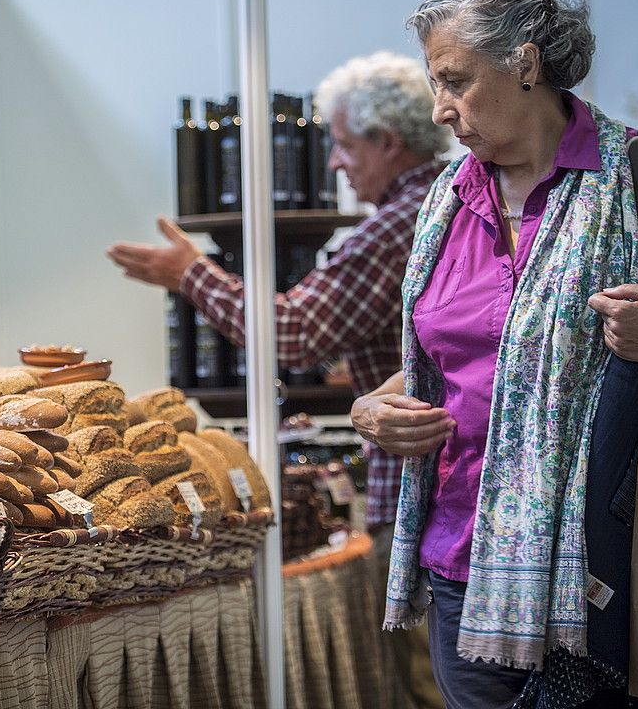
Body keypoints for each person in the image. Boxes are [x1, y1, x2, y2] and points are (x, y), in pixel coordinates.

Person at [350, 0, 638, 708]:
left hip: (614, 569)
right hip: (462, 569)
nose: (441, 110)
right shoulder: (444, 206)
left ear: (525, 63)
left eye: (455, 81)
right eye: (434, 84)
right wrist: (372, 412)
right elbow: (462, 362)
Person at [108, 51, 450, 709]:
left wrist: (191, 273)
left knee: (426, 687)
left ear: (388, 141)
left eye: (345, 146)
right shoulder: (453, 200)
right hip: (448, 495)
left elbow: (293, 332)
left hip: (419, 497)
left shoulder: (397, 224)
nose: (334, 166)